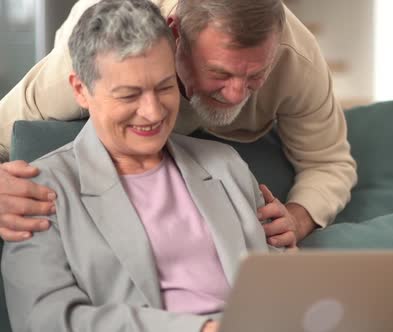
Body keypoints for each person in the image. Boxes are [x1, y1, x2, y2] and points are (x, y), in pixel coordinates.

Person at [2, 1, 293, 331]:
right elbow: (44, 319)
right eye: (129, 95)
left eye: (165, 87)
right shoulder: (37, 191)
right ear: (81, 90)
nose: (153, 113)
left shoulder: (225, 164)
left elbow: (279, 284)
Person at [0, 0, 357, 244]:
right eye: (218, 72)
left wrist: (298, 217)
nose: (235, 94)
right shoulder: (101, 55)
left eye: (254, 76)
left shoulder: (298, 60)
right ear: (175, 33)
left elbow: (329, 162)